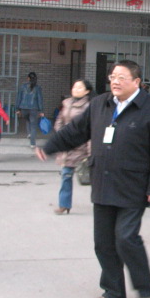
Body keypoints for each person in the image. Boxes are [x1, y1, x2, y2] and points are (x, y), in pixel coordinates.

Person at [35, 60, 150, 298]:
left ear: (136, 82)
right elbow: (75, 131)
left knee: (126, 238)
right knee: (103, 242)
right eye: (113, 76)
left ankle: (144, 290)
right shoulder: (100, 104)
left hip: (134, 185)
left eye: (122, 77)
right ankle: (113, 290)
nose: (115, 81)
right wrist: (51, 146)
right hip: (103, 182)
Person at [53, 79, 93, 215]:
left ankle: (104, 204)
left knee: (92, 177)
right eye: (74, 87)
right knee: (66, 175)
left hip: (81, 147)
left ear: (87, 91)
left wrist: (90, 151)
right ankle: (64, 204)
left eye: (80, 87)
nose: (76, 89)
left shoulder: (88, 107)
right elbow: (59, 121)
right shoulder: (67, 103)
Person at [16, 72, 44, 148]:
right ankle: (32, 143)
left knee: (28, 120)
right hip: (34, 109)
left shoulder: (22, 87)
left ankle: (29, 133)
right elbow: (40, 100)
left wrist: (17, 108)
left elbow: (19, 98)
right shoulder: (38, 88)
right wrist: (41, 111)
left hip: (24, 108)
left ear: (28, 78)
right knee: (33, 125)